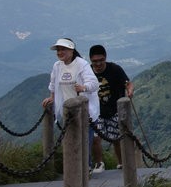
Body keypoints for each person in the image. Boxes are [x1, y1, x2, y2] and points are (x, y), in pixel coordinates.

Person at [41, 37, 100, 172]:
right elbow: (53, 84)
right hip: (68, 111)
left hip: (85, 111)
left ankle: (86, 167)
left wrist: (83, 87)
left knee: (85, 141)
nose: (60, 52)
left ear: (71, 50)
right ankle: (75, 168)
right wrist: (51, 97)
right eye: (58, 50)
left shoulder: (81, 64)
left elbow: (94, 83)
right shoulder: (57, 66)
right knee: (72, 141)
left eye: (63, 49)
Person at [88, 43, 133, 172]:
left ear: (105, 57)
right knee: (95, 138)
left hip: (115, 110)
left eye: (101, 60)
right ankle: (99, 163)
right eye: (95, 61)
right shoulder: (87, 72)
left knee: (116, 138)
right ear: (91, 60)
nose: (98, 64)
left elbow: (128, 83)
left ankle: (121, 163)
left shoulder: (115, 69)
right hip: (96, 112)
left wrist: (130, 91)